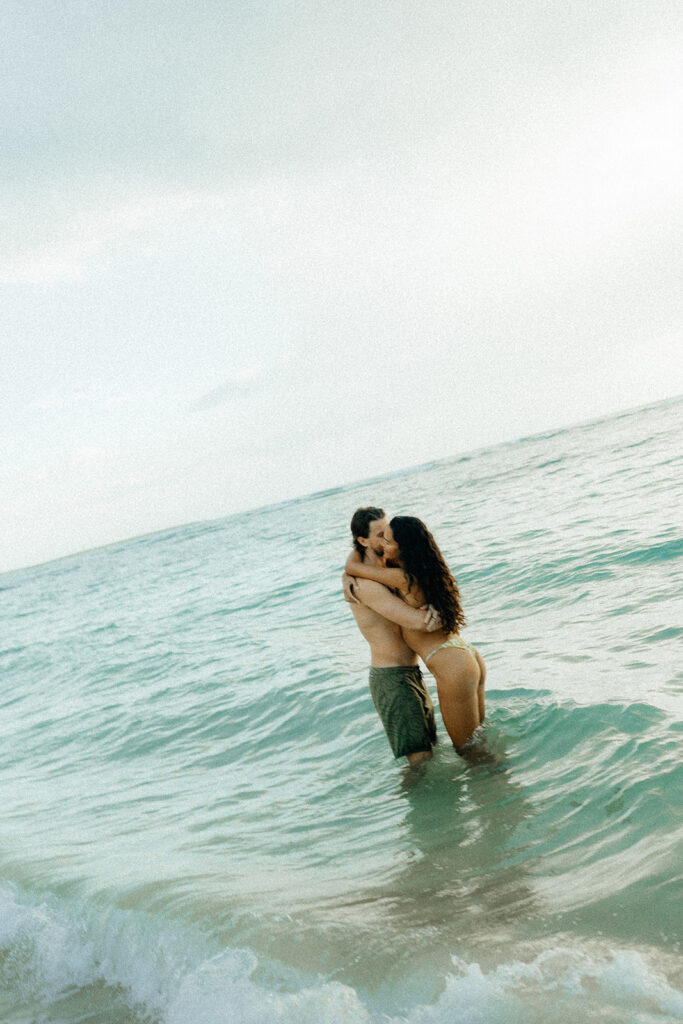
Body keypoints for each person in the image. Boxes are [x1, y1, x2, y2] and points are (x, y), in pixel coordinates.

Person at [345, 515, 486, 752]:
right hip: (465, 655)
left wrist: (347, 576)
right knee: (479, 743)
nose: (384, 547)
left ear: (403, 548)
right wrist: (348, 575)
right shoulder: (425, 568)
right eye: (381, 539)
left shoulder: (402, 577)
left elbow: (354, 568)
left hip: (452, 665)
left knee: (468, 752)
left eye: (388, 542)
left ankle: (491, 787)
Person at [343, 507, 443, 765]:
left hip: (409, 673)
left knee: (431, 750)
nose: (386, 538)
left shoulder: (384, 566)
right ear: (363, 541)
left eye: (387, 532)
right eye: (379, 535)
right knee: (419, 761)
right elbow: (418, 622)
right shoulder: (363, 585)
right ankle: (415, 804)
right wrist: (437, 613)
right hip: (391, 677)